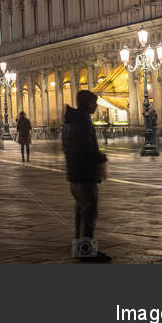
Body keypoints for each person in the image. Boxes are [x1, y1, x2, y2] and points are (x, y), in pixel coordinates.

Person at [63, 90, 110, 262]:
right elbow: (87, 150)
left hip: (74, 174)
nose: (96, 106)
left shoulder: (70, 121)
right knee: (89, 214)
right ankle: (87, 252)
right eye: (94, 103)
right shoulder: (83, 123)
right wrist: (102, 158)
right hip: (85, 175)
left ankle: (81, 249)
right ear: (87, 104)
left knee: (80, 214)